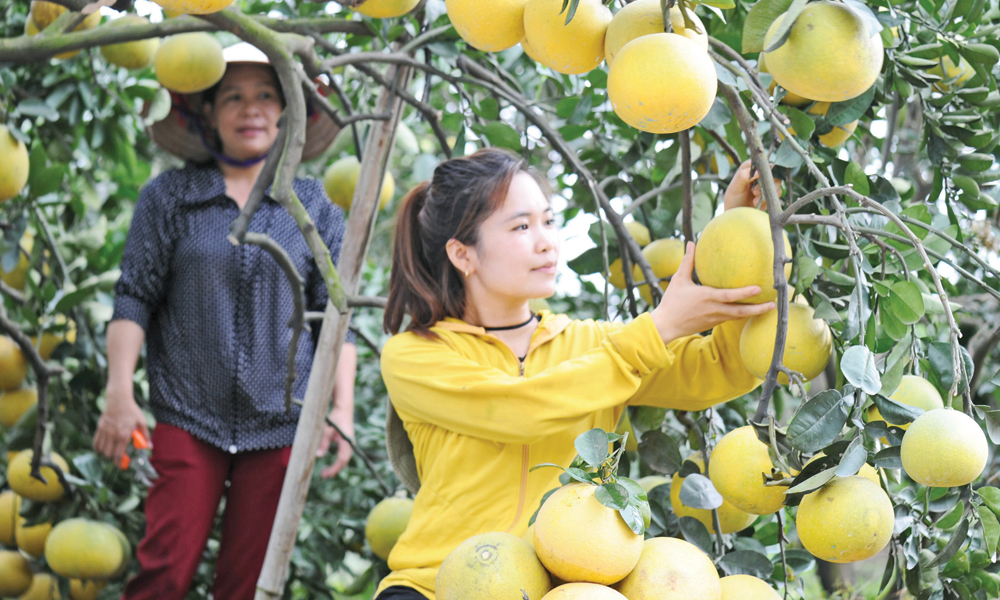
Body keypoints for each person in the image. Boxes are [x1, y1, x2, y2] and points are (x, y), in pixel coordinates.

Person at [374, 148, 776, 599]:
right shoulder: (414, 355)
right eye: (522, 226)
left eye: (548, 221)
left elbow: (722, 368)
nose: (546, 241)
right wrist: (657, 329)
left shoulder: (596, 345)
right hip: (438, 584)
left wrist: (740, 235)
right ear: (462, 254)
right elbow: (519, 409)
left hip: (563, 588)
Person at [92, 43, 358, 600]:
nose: (251, 109)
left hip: (284, 425)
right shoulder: (169, 197)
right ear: (207, 111)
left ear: (287, 111)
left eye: (266, 95)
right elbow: (134, 297)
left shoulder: (313, 207)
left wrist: (341, 410)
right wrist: (119, 392)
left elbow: (337, 318)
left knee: (250, 588)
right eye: (233, 97)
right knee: (162, 573)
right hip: (188, 418)